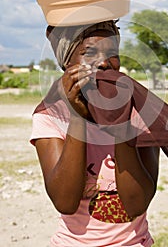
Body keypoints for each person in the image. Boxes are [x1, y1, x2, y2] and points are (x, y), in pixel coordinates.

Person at [30, 20, 160, 247]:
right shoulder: (51, 116)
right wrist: (78, 118)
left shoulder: (140, 110)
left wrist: (119, 121)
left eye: (112, 53)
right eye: (89, 53)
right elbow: (65, 202)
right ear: (67, 62)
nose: (104, 63)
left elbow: (136, 203)